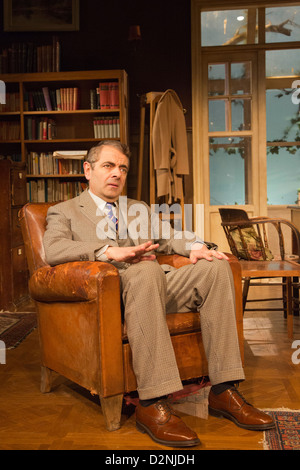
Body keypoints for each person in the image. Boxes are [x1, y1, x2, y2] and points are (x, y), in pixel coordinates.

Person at [43, 140, 274, 447]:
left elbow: (169, 237)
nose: (117, 174)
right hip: (111, 296)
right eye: (108, 166)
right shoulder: (64, 211)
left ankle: (224, 390)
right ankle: (152, 404)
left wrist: (196, 246)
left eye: (122, 168)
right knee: (146, 269)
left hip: (156, 287)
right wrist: (109, 251)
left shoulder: (137, 208)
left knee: (215, 268)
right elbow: (54, 248)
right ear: (88, 170)